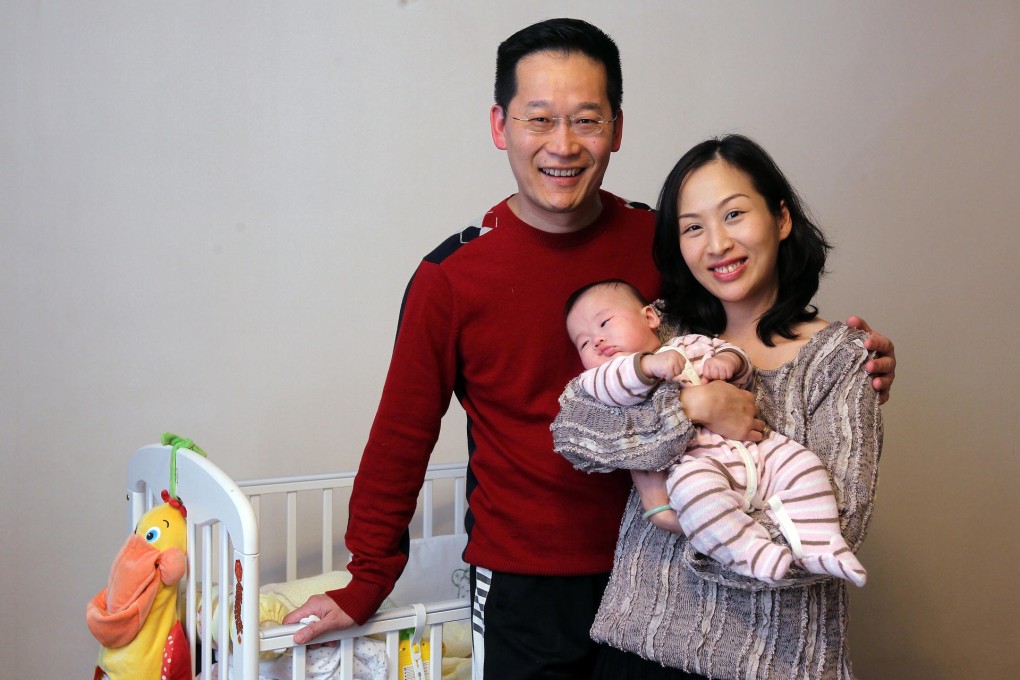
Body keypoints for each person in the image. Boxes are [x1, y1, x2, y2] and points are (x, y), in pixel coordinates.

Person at [284, 19, 895, 680]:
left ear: (618, 128)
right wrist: (365, 581)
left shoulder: (663, 242)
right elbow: (401, 438)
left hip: (667, 572)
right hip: (527, 585)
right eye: (539, 119)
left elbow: (745, 327)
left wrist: (848, 360)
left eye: (587, 120)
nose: (563, 146)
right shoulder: (452, 278)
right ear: (500, 126)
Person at [552, 134, 884, 679]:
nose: (717, 244)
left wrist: (698, 526)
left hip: (776, 662)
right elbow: (575, 433)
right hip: (639, 651)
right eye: (693, 227)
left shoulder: (841, 359)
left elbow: (834, 528)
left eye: (734, 214)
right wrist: (694, 406)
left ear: (780, 219)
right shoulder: (662, 334)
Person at [561, 279, 867, 587]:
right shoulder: (604, 378)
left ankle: (823, 545)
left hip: (753, 448)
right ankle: (753, 554)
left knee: (802, 465)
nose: (598, 341)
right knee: (697, 496)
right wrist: (649, 367)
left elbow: (735, 357)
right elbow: (606, 388)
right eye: (584, 343)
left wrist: (727, 361)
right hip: (695, 462)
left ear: (651, 318)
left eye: (604, 323)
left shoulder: (691, 343)